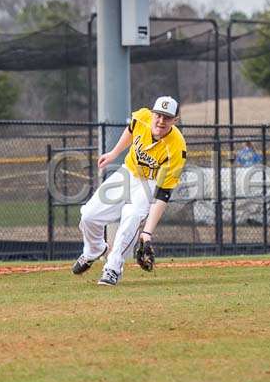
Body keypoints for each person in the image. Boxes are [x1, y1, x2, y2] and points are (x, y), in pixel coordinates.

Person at [72, 96, 187, 286]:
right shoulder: (142, 117)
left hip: (149, 184)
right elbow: (131, 131)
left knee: (132, 216)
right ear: (152, 113)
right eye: (158, 115)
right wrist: (114, 153)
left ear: (175, 120)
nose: (160, 121)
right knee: (89, 216)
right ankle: (94, 250)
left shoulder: (177, 147)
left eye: (167, 117)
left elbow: (164, 194)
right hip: (127, 173)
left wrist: (147, 232)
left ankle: (113, 268)